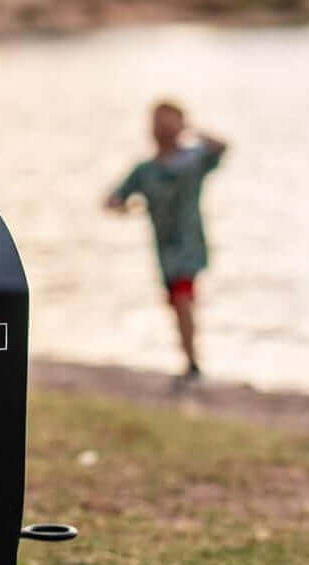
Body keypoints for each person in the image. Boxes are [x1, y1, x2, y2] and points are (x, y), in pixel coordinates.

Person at [106, 101, 227, 387]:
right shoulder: (145, 170)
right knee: (176, 302)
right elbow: (112, 200)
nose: (162, 128)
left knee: (183, 298)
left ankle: (193, 366)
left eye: (168, 122)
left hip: (189, 245)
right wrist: (125, 207)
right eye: (158, 122)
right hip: (164, 250)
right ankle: (190, 362)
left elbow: (222, 147)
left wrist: (190, 129)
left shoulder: (192, 161)